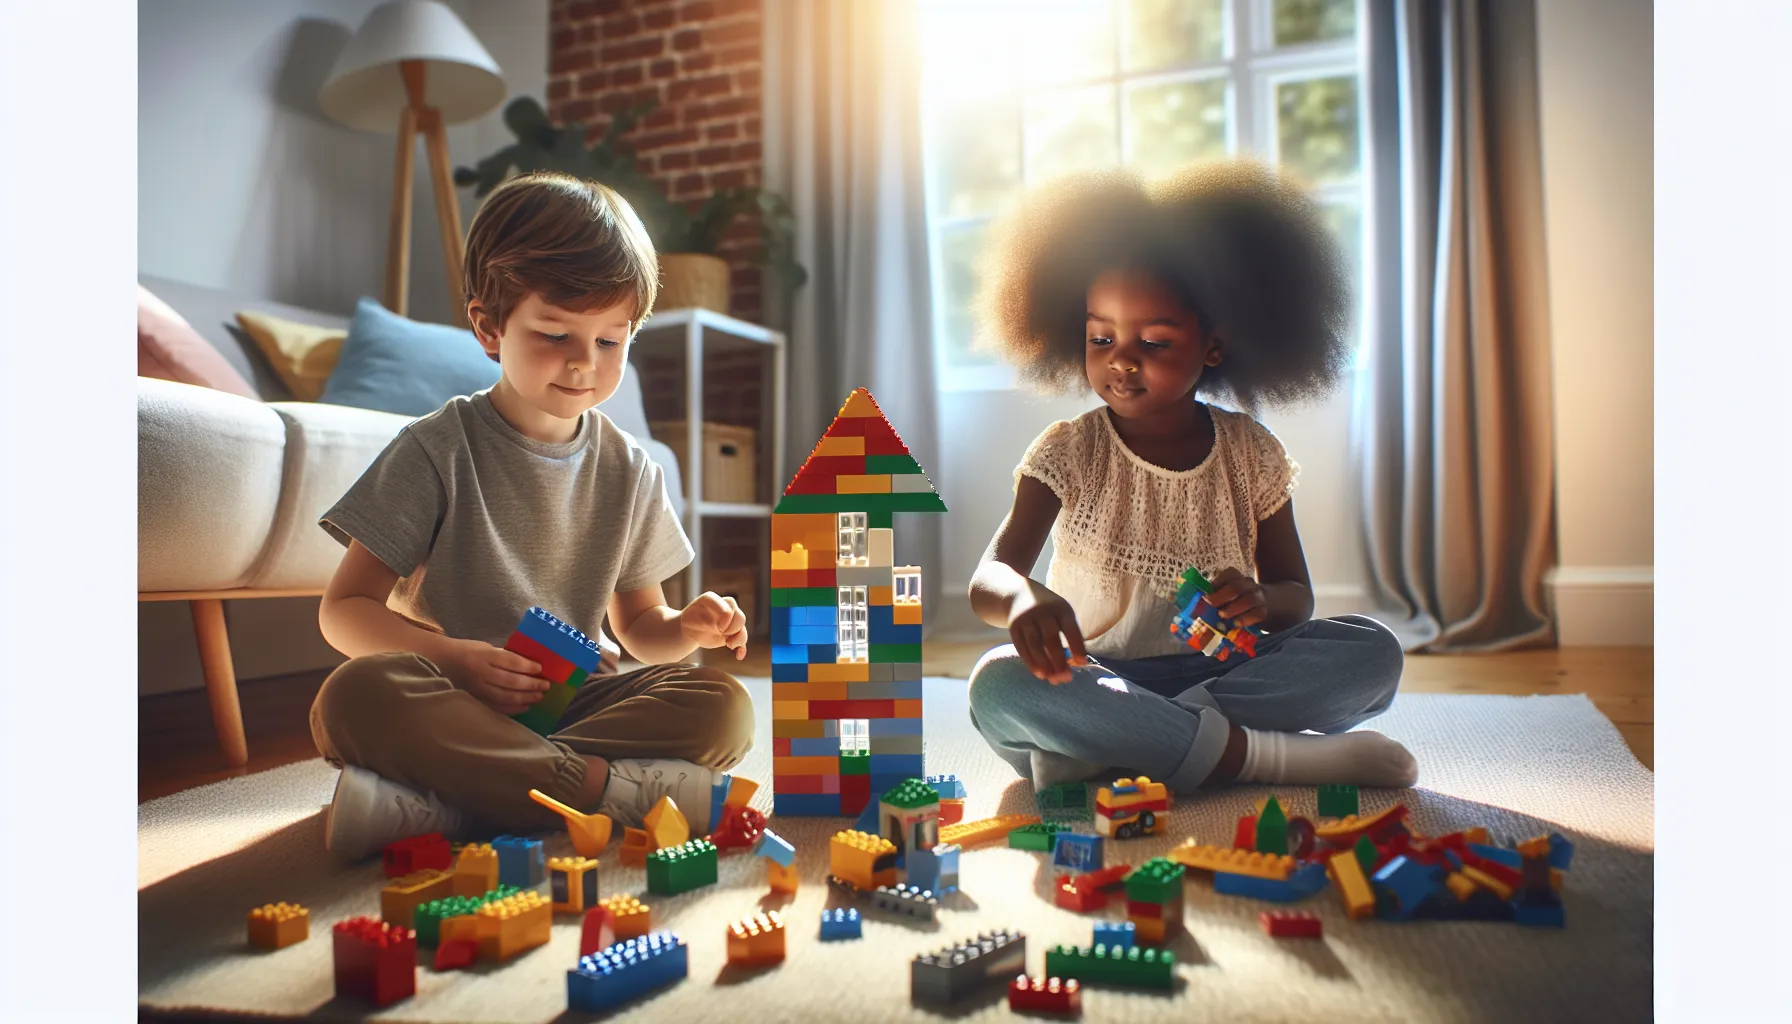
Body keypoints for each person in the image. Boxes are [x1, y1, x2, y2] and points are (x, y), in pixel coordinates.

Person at [310, 172, 754, 859]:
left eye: (611, 341)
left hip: (573, 701)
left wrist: (686, 626)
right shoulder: (435, 449)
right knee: (353, 697)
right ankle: (603, 792)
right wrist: (452, 660)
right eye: (555, 334)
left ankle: (448, 800)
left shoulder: (631, 468)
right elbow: (344, 610)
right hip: (451, 697)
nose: (584, 364)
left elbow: (639, 628)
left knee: (723, 708)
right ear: (489, 327)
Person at [965, 160, 1417, 796]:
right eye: (1101, 337)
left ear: (1213, 346)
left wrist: (1263, 601)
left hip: (1228, 672)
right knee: (998, 683)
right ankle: (1270, 759)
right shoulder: (1070, 449)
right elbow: (990, 577)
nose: (1121, 359)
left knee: (1373, 652)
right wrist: (1023, 598)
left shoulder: (1250, 452)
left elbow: (1296, 597)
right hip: (1095, 675)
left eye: (1153, 342)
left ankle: (1127, 747)